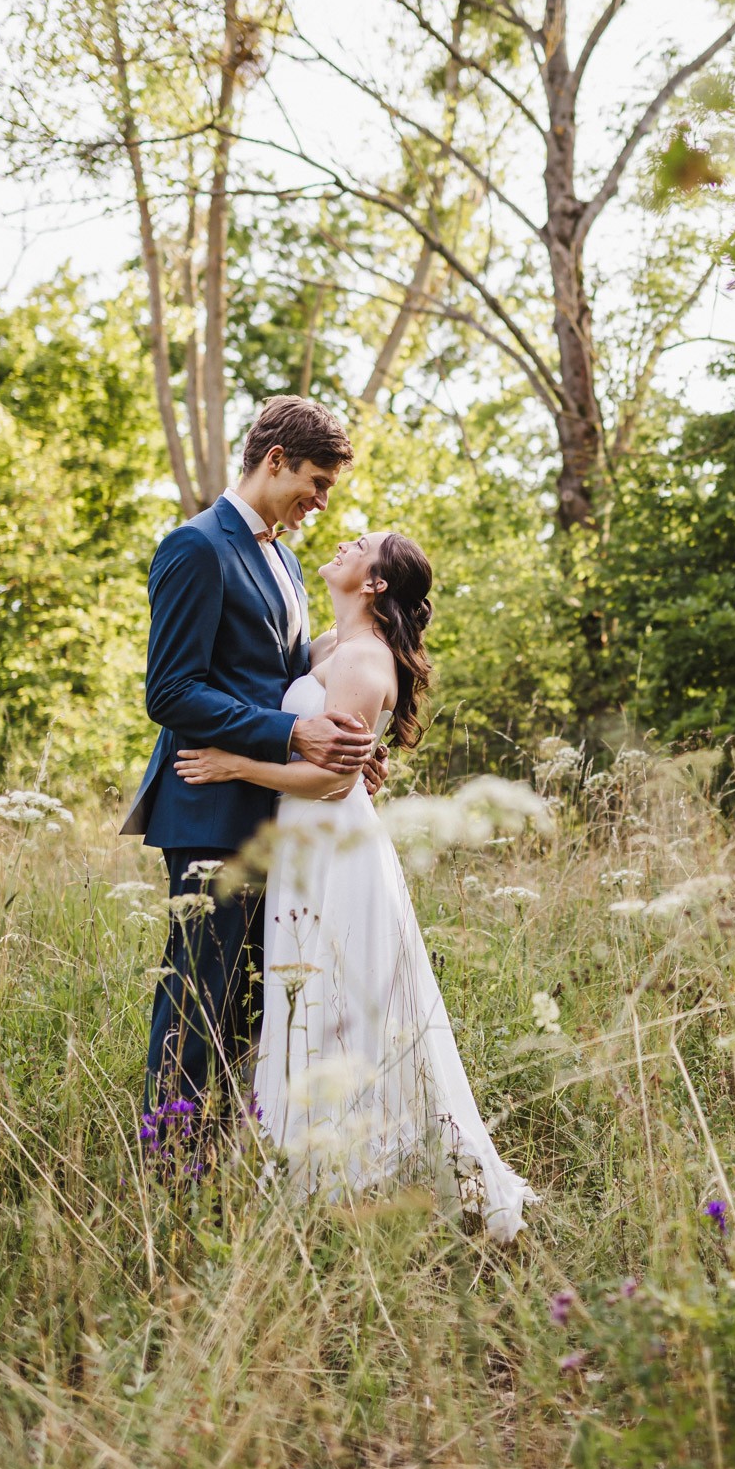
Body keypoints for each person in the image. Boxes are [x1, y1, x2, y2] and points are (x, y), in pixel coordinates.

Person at [173, 529, 538, 1243]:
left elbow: (332, 780)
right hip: (306, 843)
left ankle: (360, 1177)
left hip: (335, 847)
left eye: (361, 543)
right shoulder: (331, 647)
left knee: (340, 1003)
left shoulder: (365, 660)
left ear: (376, 584)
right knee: (308, 998)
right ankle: (313, 1166)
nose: (344, 540)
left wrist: (232, 766)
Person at [123, 395, 383, 1134]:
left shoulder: (286, 560)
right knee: (198, 995)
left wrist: (348, 740)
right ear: (275, 460)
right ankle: (170, 1161)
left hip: (275, 813)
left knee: (253, 1002)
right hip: (208, 807)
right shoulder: (196, 546)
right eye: (317, 483)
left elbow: (281, 676)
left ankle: (228, 1153)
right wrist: (295, 734)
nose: (322, 502)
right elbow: (172, 692)